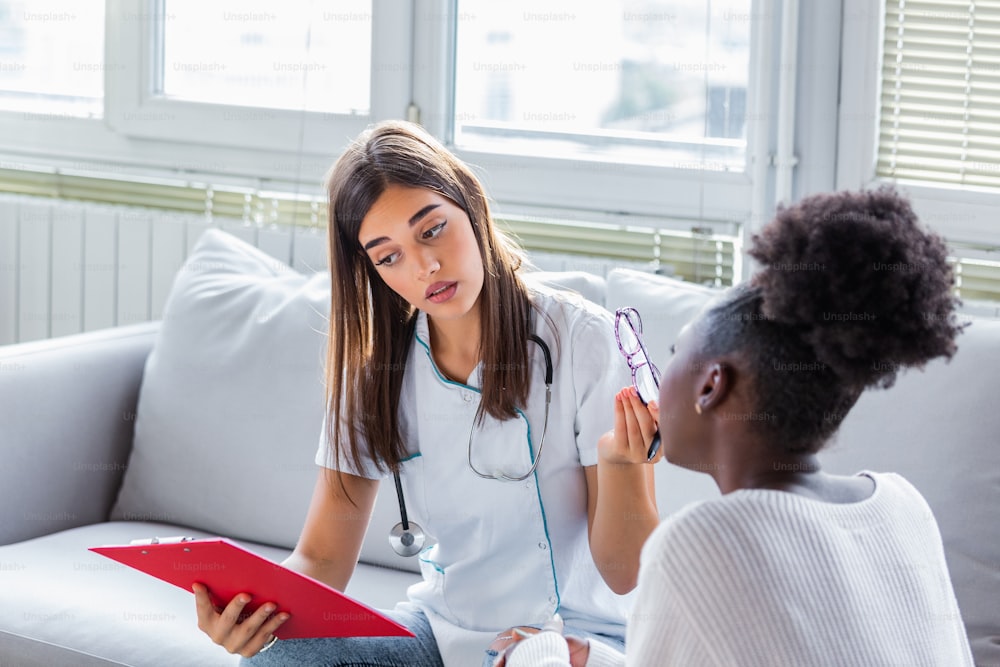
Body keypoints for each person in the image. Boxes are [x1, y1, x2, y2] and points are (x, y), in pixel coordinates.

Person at [192, 120, 663, 667]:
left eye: (432, 229)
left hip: (576, 637)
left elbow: (628, 574)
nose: (424, 267)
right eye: (388, 256)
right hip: (445, 634)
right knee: (279, 663)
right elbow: (321, 558)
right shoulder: (376, 375)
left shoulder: (586, 340)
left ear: (471, 206)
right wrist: (251, 613)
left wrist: (621, 464)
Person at [500, 187, 976, 666]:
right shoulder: (902, 505)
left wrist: (538, 654)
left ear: (711, 386)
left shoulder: (700, 542)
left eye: (673, 355)